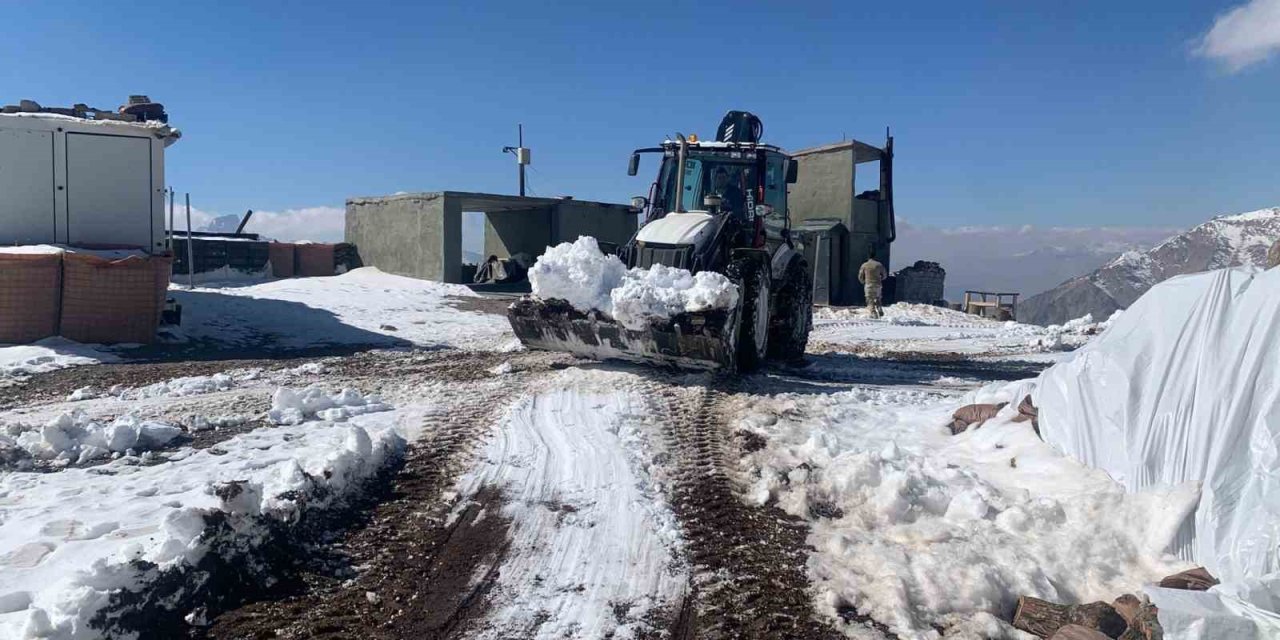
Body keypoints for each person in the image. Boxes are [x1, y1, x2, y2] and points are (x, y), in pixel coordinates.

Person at [858, 250, 887, 318]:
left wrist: (863, 281)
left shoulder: (864, 265)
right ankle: (879, 308)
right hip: (878, 284)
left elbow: (860, 276)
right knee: (878, 298)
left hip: (869, 284)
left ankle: (873, 312)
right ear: (875, 256)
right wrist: (881, 278)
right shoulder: (879, 264)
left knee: (869, 299)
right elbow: (885, 274)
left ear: (868, 257)